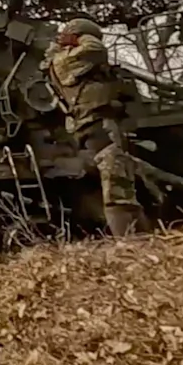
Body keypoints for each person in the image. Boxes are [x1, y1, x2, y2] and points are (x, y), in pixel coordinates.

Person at [42, 17, 150, 237]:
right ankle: (130, 241)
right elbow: (96, 47)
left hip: (94, 125)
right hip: (97, 127)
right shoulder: (66, 60)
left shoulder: (67, 61)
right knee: (117, 188)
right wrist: (78, 35)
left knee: (121, 182)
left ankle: (140, 235)